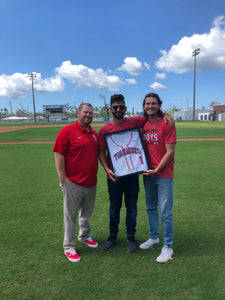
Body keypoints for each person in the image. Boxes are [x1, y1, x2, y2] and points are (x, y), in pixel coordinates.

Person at [99, 94, 174, 252]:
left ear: (125, 108)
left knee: (132, 207)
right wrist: (106, 169)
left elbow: (152, 113)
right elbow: (101, 152)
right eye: (115, 107)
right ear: (111, 109)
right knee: (114, 207)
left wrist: (166, 114)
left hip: (133, 174)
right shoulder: (104, 130)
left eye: (121, 107)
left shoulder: (135, 121)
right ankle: (112, 236)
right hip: (114, 176)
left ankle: (131, 237)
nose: (118, 110)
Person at [53, 103, 99, 263]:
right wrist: (62, 178)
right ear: (78, 113)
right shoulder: (67, 131)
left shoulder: (94, 134)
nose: (88, 115)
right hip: (73, 182)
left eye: (91, 113)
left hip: (91, 182)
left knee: (86, 214)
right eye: (86, 112)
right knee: (70, 216)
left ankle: (84, 236)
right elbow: (59, 154)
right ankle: (69, 246)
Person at [140, 93, 176, 263]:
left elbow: (170, 152)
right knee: (150, 208)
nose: (150, 106)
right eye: (147, 104)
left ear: (159, 105)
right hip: (148, 174)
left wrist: (156, 170)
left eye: (153, 103)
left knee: (166, 213)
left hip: (163, 175)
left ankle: (168, 246)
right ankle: (153, 237)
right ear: (144, 105)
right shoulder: (142, 123)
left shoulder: (167, 123)